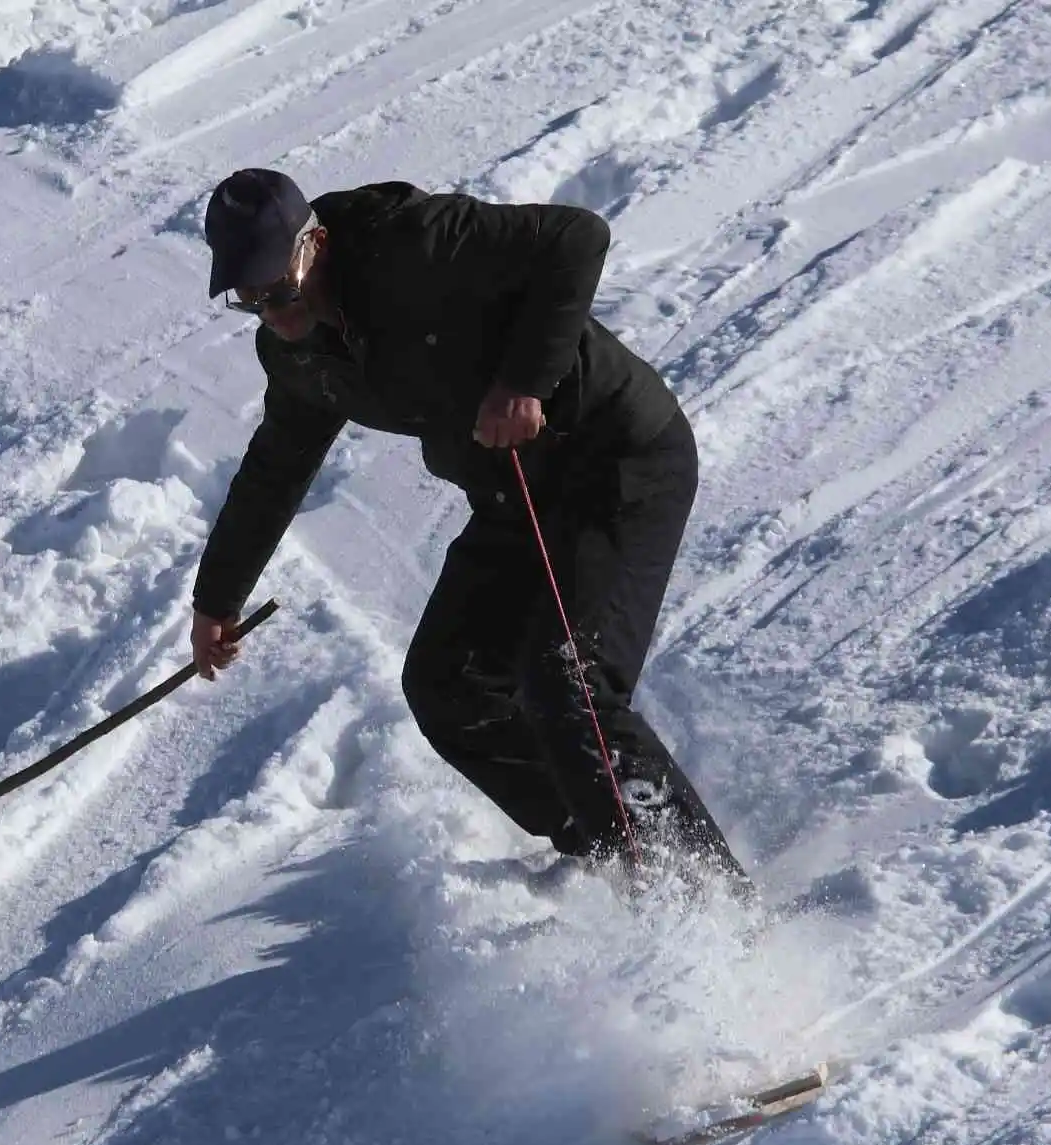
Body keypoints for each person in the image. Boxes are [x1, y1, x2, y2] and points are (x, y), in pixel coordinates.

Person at [189, 167, 750, 902]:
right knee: (446, 686)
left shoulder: (415, 243)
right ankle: (607, 849)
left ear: (314, 244)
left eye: (280, 289)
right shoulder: (296, 353)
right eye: (250, 298)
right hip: (514, 495)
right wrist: (218, 597)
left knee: (566, 683)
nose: (271, 311)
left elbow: (577, 238)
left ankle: (710, 899)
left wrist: (525, 381)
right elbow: (275, 468)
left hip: (614, 463)